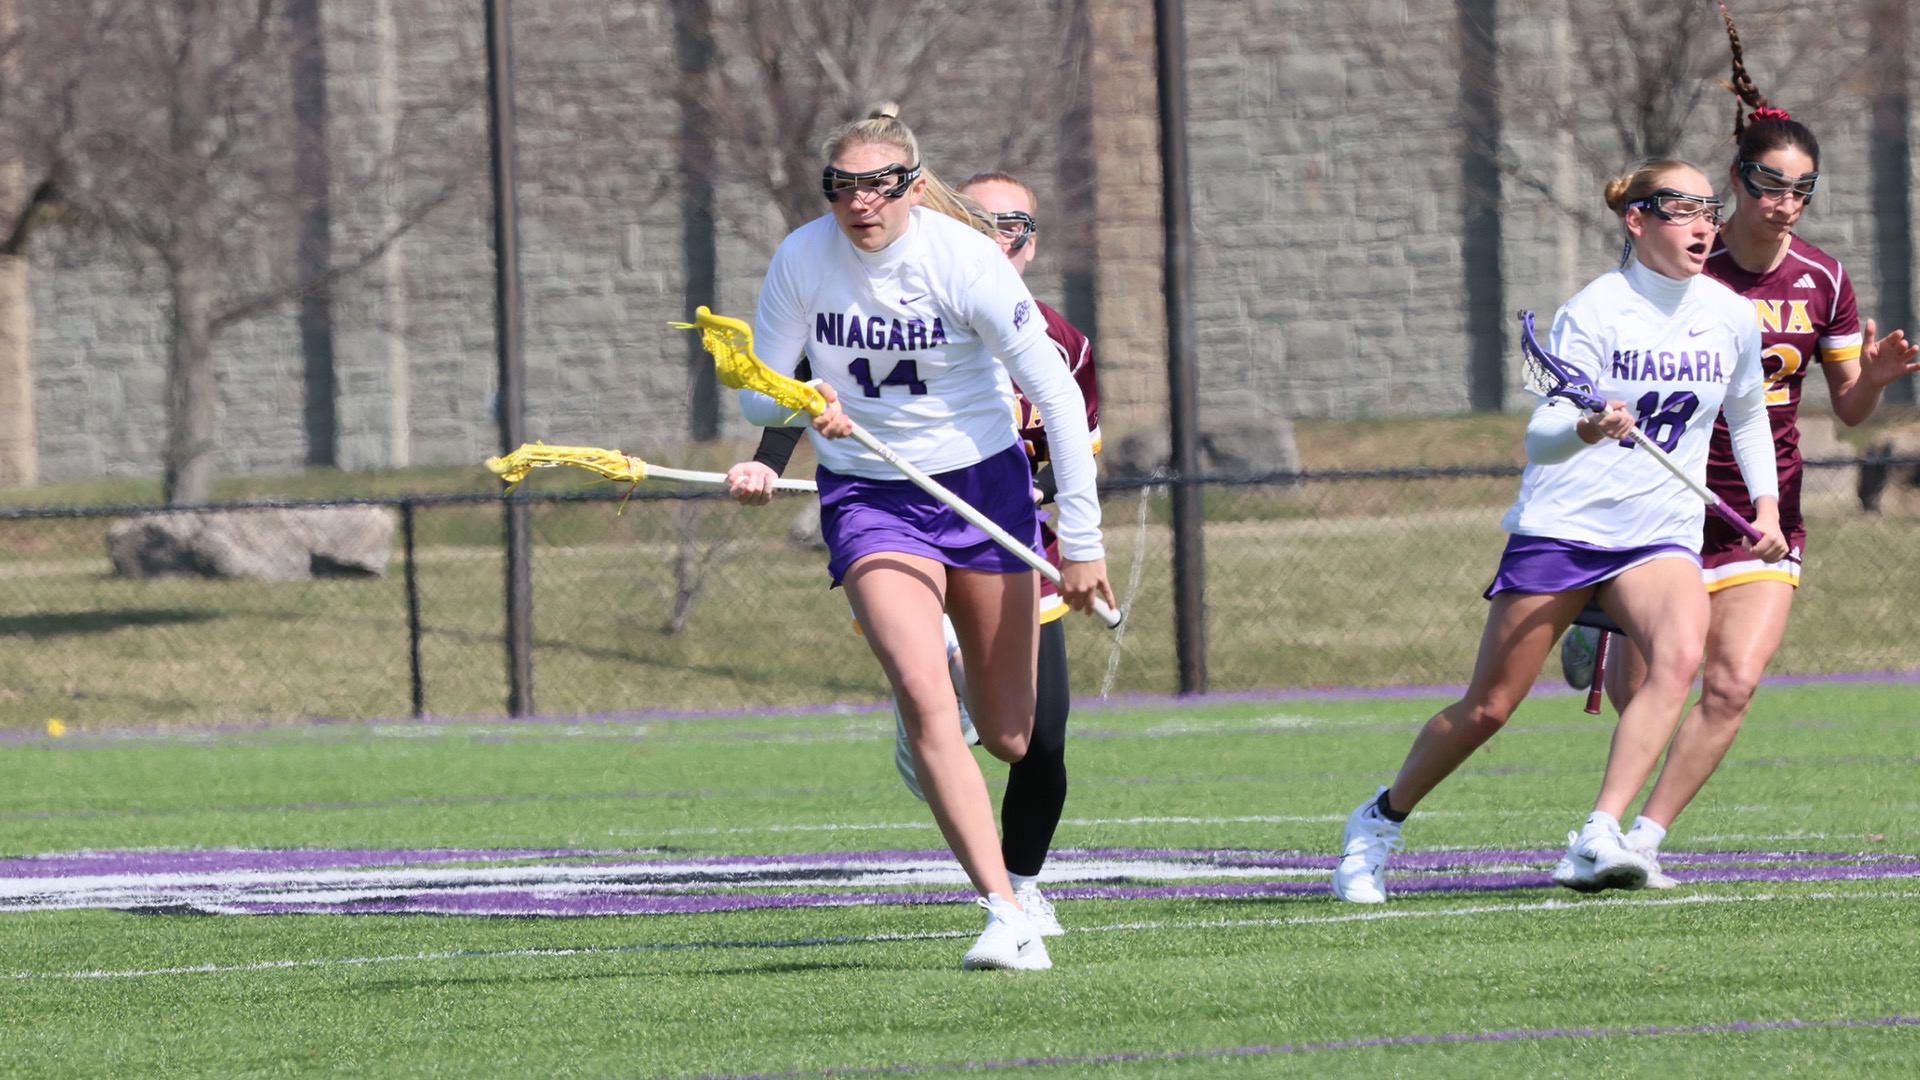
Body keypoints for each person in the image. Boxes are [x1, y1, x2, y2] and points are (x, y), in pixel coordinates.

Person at [1331, 159, 1788, 904]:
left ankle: (1599, 834)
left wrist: (1765, 508)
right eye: (1681, 210)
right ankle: (1377, 822)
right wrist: (1585, 425)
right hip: (1567, 526)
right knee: (1489, 708)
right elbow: (1540, 438)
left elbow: (1745, 416)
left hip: (1658, 531)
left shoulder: (1731, 313)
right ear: (1637, 221)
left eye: (1710, 209)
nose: (1703, 224)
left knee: (1677, 658)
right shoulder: (1597, 309)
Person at [727, 105, 1112, 970]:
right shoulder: (801, 258)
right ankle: (1003, 911)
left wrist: (1081, 544)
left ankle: (953, 699)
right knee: (919, 687)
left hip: (981, 487)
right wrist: (796, 400)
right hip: (870, 495)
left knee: (1012, 736)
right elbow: (758, 391)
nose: (860, 202)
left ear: (910, 186)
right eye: (843, 187)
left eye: (877, 185)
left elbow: (1051, 394)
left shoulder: (964, 261)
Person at [1559, 10, 1920, 888]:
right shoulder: (1690, 259)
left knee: (1733, 684)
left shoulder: (1824, 278)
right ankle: (1605, 645)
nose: (1783, 203)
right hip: (1667, 506)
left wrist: (1873, 377)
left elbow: (1849, 411)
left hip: (1765, 509)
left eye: (1801, 190)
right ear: (1736, 179)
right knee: (1664, 683)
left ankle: (1640, 840)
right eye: (1767, 184)